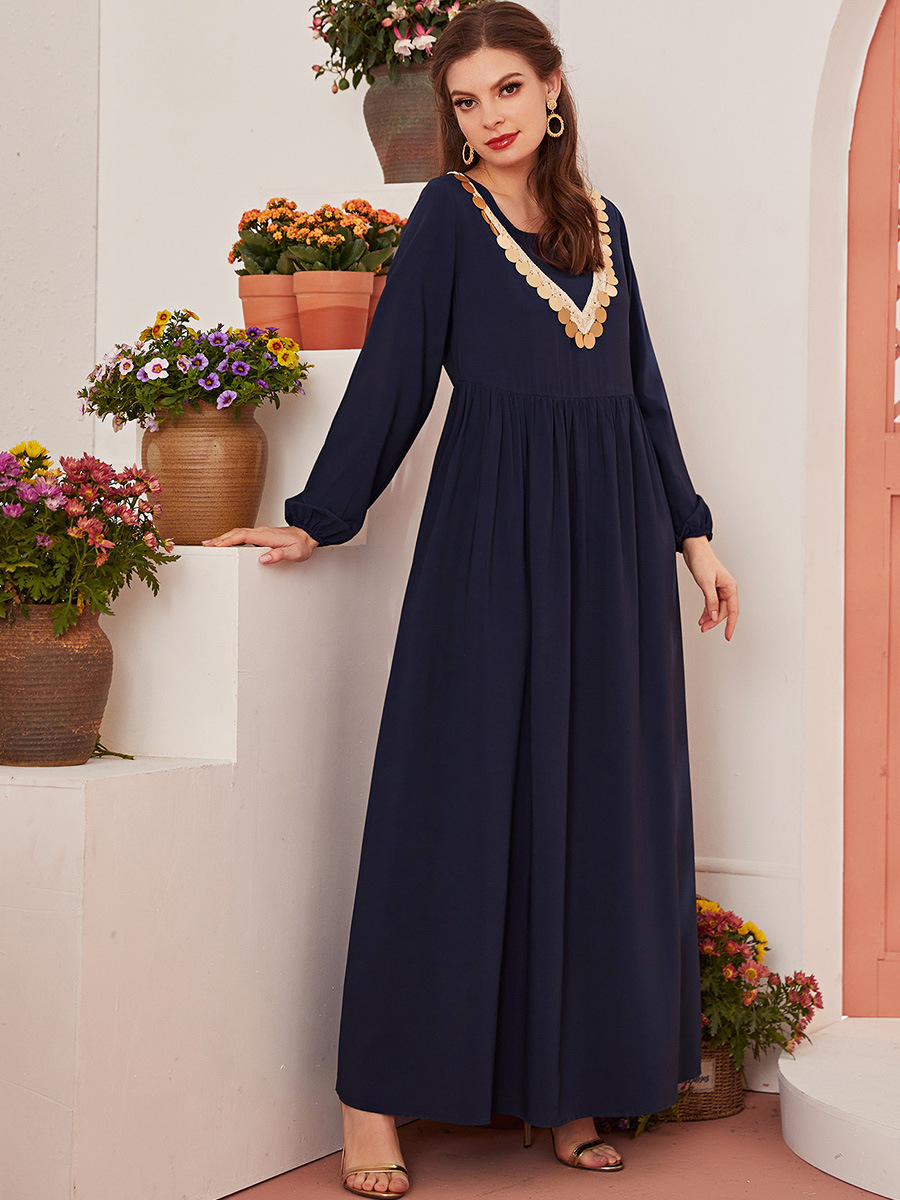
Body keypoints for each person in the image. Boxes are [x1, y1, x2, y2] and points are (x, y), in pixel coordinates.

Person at [205, 2, 739, 1194]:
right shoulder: (448, 217)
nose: (489, 117)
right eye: (465, 99)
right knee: (451, 801)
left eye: (507, 89)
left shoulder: (604, 224)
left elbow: (643, 394)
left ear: (552, 88)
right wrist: (317, 514)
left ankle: (570, 1090)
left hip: (613, 547)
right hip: (493, 537)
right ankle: (372, 1103)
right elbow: (395, 376)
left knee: (597, 807)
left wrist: (693, 535)